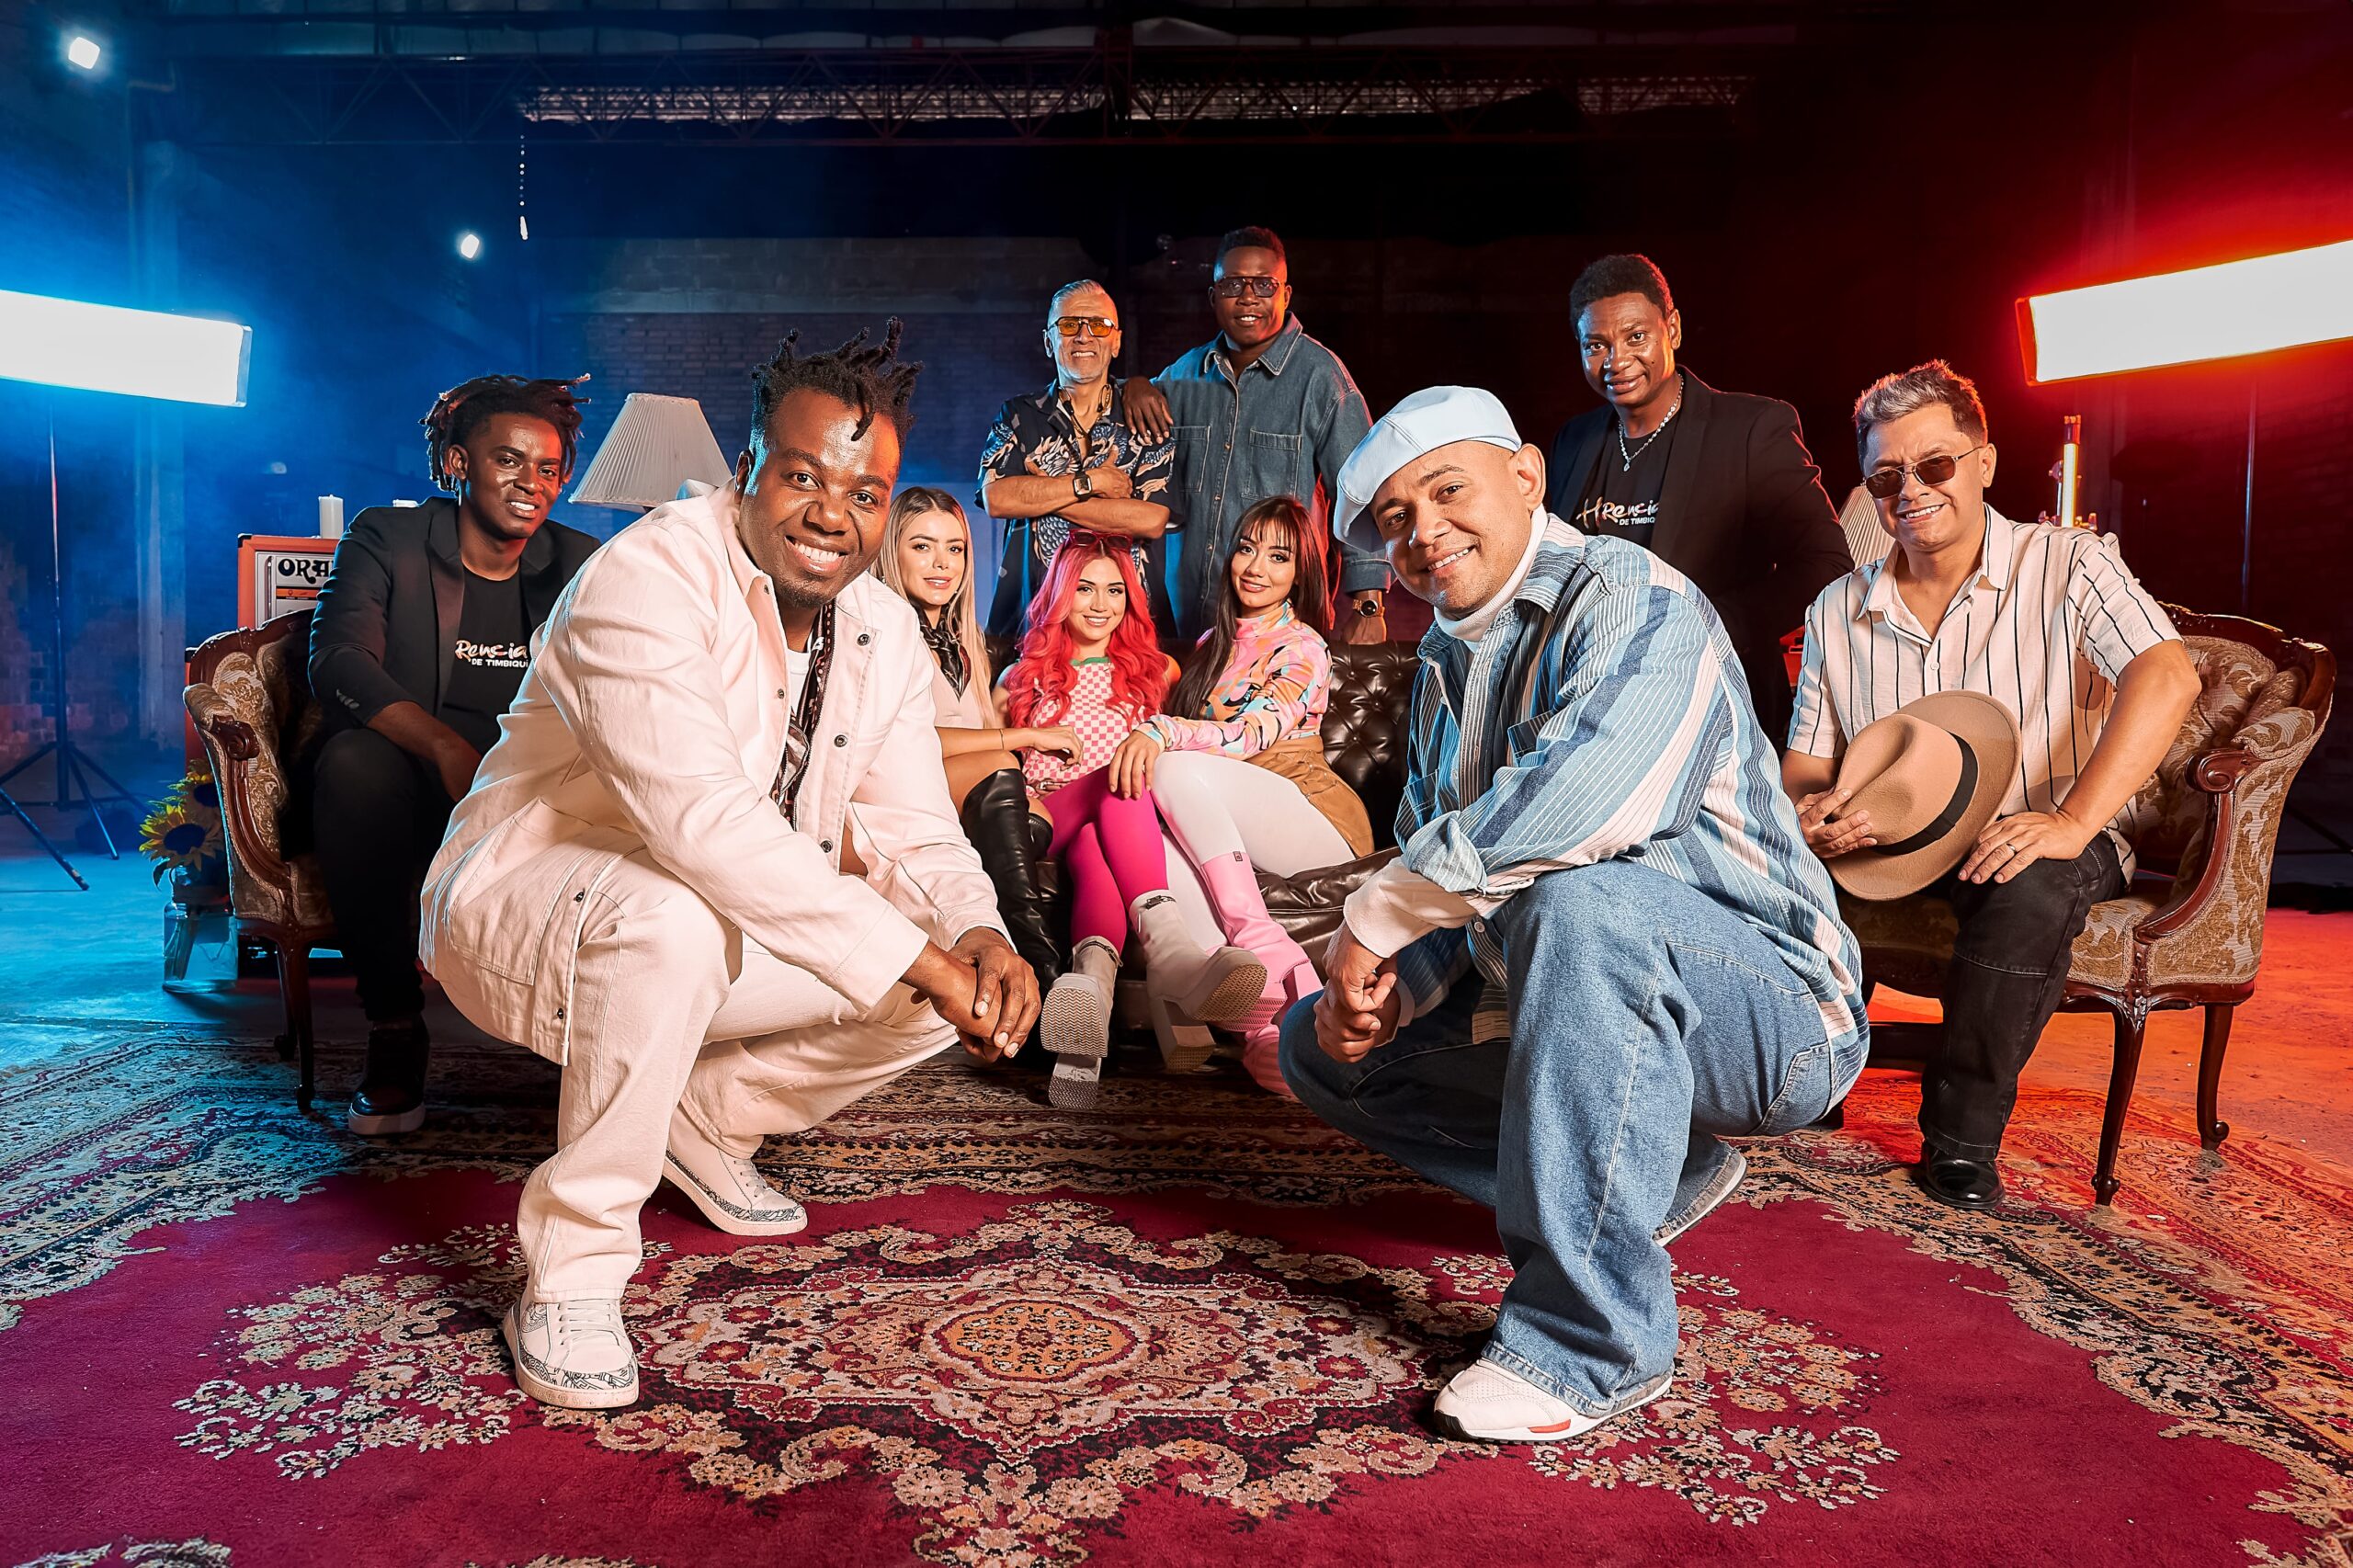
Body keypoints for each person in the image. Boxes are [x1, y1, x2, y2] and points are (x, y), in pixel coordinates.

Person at [419, 324, 1040, 1409]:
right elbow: (701, 824)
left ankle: (708, 1116)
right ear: (748, 468)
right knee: (679, 915)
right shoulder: (646, 577)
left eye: (863, 493)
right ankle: (571, 1272)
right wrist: (923, 952)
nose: (832, 514)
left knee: (947, 978)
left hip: (719, 918)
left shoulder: (882, 626)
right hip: (526, 907)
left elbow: (914, 826)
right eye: (803, 477)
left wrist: (978, 934)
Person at [1282, 385, 1868, 1446]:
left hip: (1778, 1017)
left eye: (1446, 490)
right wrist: (1387, 988)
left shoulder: (1636, 597)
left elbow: (1588, 805)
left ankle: (1590, 1343)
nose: (1423, 531)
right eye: (1395, 519)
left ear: (1526, 475)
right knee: (1316, 1047)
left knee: (1581, 898)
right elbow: (1444, 875)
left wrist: (1380, 909)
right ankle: (1662, 1170)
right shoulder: (1446, 661)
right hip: (1600, 979)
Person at [1786, 360, 2200, 1211]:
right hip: (1893, 842)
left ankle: (1961, 1140)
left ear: (1984, 462)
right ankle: (1801, 1078)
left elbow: (2167, 676)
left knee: (2029, 882)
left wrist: (2073, 821)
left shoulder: (2071, 564)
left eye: (1934, 464)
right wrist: (1810, 813)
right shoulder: (1836, 607)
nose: (1911, 490)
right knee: (1756, 862)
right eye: (1886, 476)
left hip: (2044, 832)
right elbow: (1807, 763)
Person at [306, 374, 599, 1137]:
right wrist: (444, 746)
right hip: (411, 776)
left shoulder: (581, 561)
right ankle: (394, 1028)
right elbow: (337, 659)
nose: (532, 482)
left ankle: (598, 1044)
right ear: (460, 462)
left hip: (533, 787)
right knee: (352, 765)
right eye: (509, 460)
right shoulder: (389, 539)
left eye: (548, 468)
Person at [1104, 495, 1372, 1095]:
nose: (1255, 567)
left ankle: (1266, 946)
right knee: (1146, 830)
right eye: (1247, 549)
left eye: (1278, 557)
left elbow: (1252, 735)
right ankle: (1259, 1025)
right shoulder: (1212, 643)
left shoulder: (1303, 646)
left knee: (1171, 767)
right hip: (1229, 816)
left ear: (1300, 573)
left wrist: (1162, 730)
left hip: (1312, 816)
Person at [996, 533, 1267, 1108]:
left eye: (1115, 590)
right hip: (1049, 814)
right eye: (1084, 589)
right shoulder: (1019, 677)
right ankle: (1169, 951)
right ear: (1059, 595)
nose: (1100, 604)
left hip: (1117, 824)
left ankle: (1090, 991)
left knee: (1103, 827)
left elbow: (1189, 744)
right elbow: (990, 769)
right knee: (1124, 772)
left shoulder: (1157, 671)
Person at [1543, 255, 1850, 745]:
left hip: (1717, 705)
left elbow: (1826, 565)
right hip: (1594, 710)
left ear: (1673, 329)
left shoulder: (1750, 429)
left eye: (1636, 337)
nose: (1616, 361)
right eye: (1596, 345)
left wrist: (1698, 626)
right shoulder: (1572, 442)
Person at [1123, 227, 1390, 646]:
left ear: (1285, 295)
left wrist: (1368, 604)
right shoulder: (1182, 378)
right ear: (1213, 297)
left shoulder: (1321, 378)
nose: (1248, 297)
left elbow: (1363, 494)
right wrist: (1132, 386)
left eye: (1264, 285)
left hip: (1282, 630)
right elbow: (1120, 422)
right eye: (1233, 284)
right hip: (1188, 624)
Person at [871, 485, 1071, 994]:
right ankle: (1042, 968)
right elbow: (905, 741)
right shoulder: (880, 634)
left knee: (1036, 818)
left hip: (957, 795)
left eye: (955, 548)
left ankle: (1005, 968)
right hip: (898, 791)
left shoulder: (968, 644)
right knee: (1001, 768)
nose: (942, 563)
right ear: (892, 551)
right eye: (922, 546)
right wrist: (1025, 735)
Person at [979, 280, 1177, 645]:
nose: (1084, 336)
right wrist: (1091, 483)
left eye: (1099, 325)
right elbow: (997, 498)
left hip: (1130, 637)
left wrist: (1041, 495)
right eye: (1069, 325)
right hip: (1030, 630)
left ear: (1116, 342)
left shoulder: (1145, 417)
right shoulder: (1018, 415)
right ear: (1048, 341)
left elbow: (1150, 520)